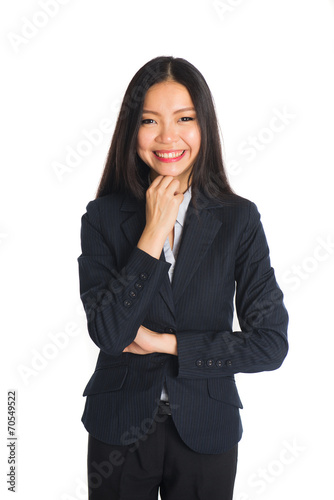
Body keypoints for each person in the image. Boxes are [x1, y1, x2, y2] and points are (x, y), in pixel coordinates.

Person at [77, 56, 289, 500]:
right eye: (150, 121)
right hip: (119, 426)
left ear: (204, 126)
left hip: (207, 426)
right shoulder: (102, 217)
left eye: (184, 118)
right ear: (131, 131)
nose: (167, 137)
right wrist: (153, 233)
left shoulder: (239, 219)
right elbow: (109, 332)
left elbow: (270, 344)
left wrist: (168, 344)